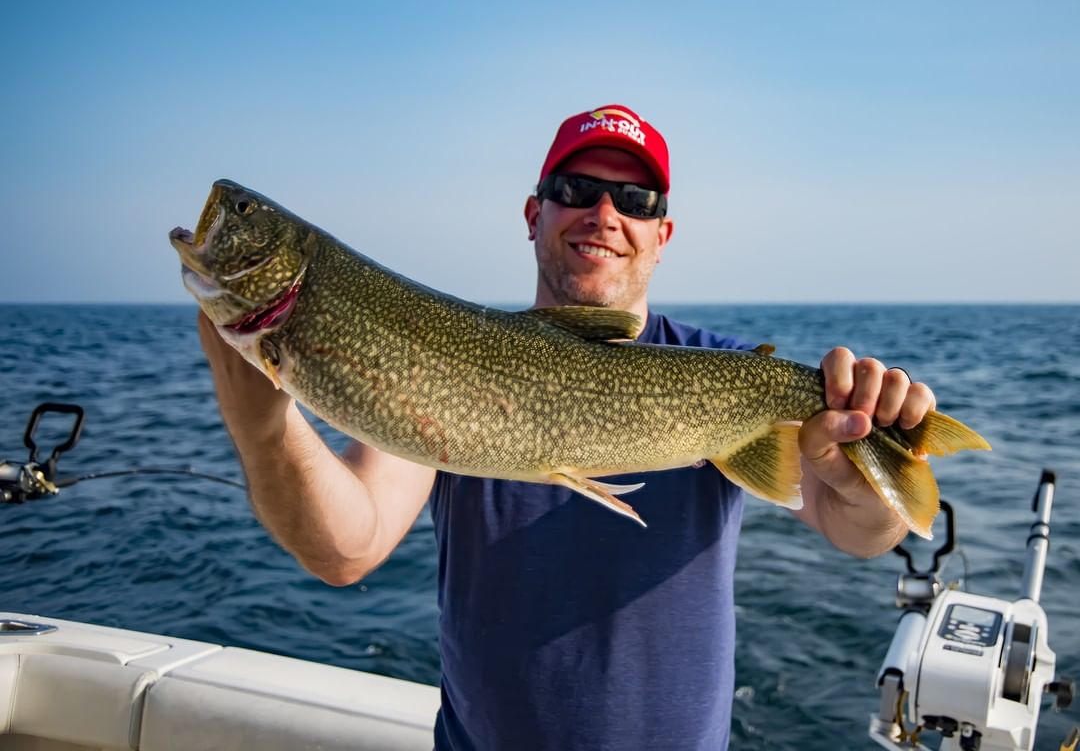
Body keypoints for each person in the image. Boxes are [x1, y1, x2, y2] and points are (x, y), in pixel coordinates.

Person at [197, 104, 936, 751]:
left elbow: (859, 529)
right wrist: (264, 429)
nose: (604, 214)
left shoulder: (724, 373)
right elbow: (344, 548)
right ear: (534, 214)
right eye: (576, 191)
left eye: (634, 198)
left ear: (662, 233)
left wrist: (862, 478)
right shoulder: (455, 355)